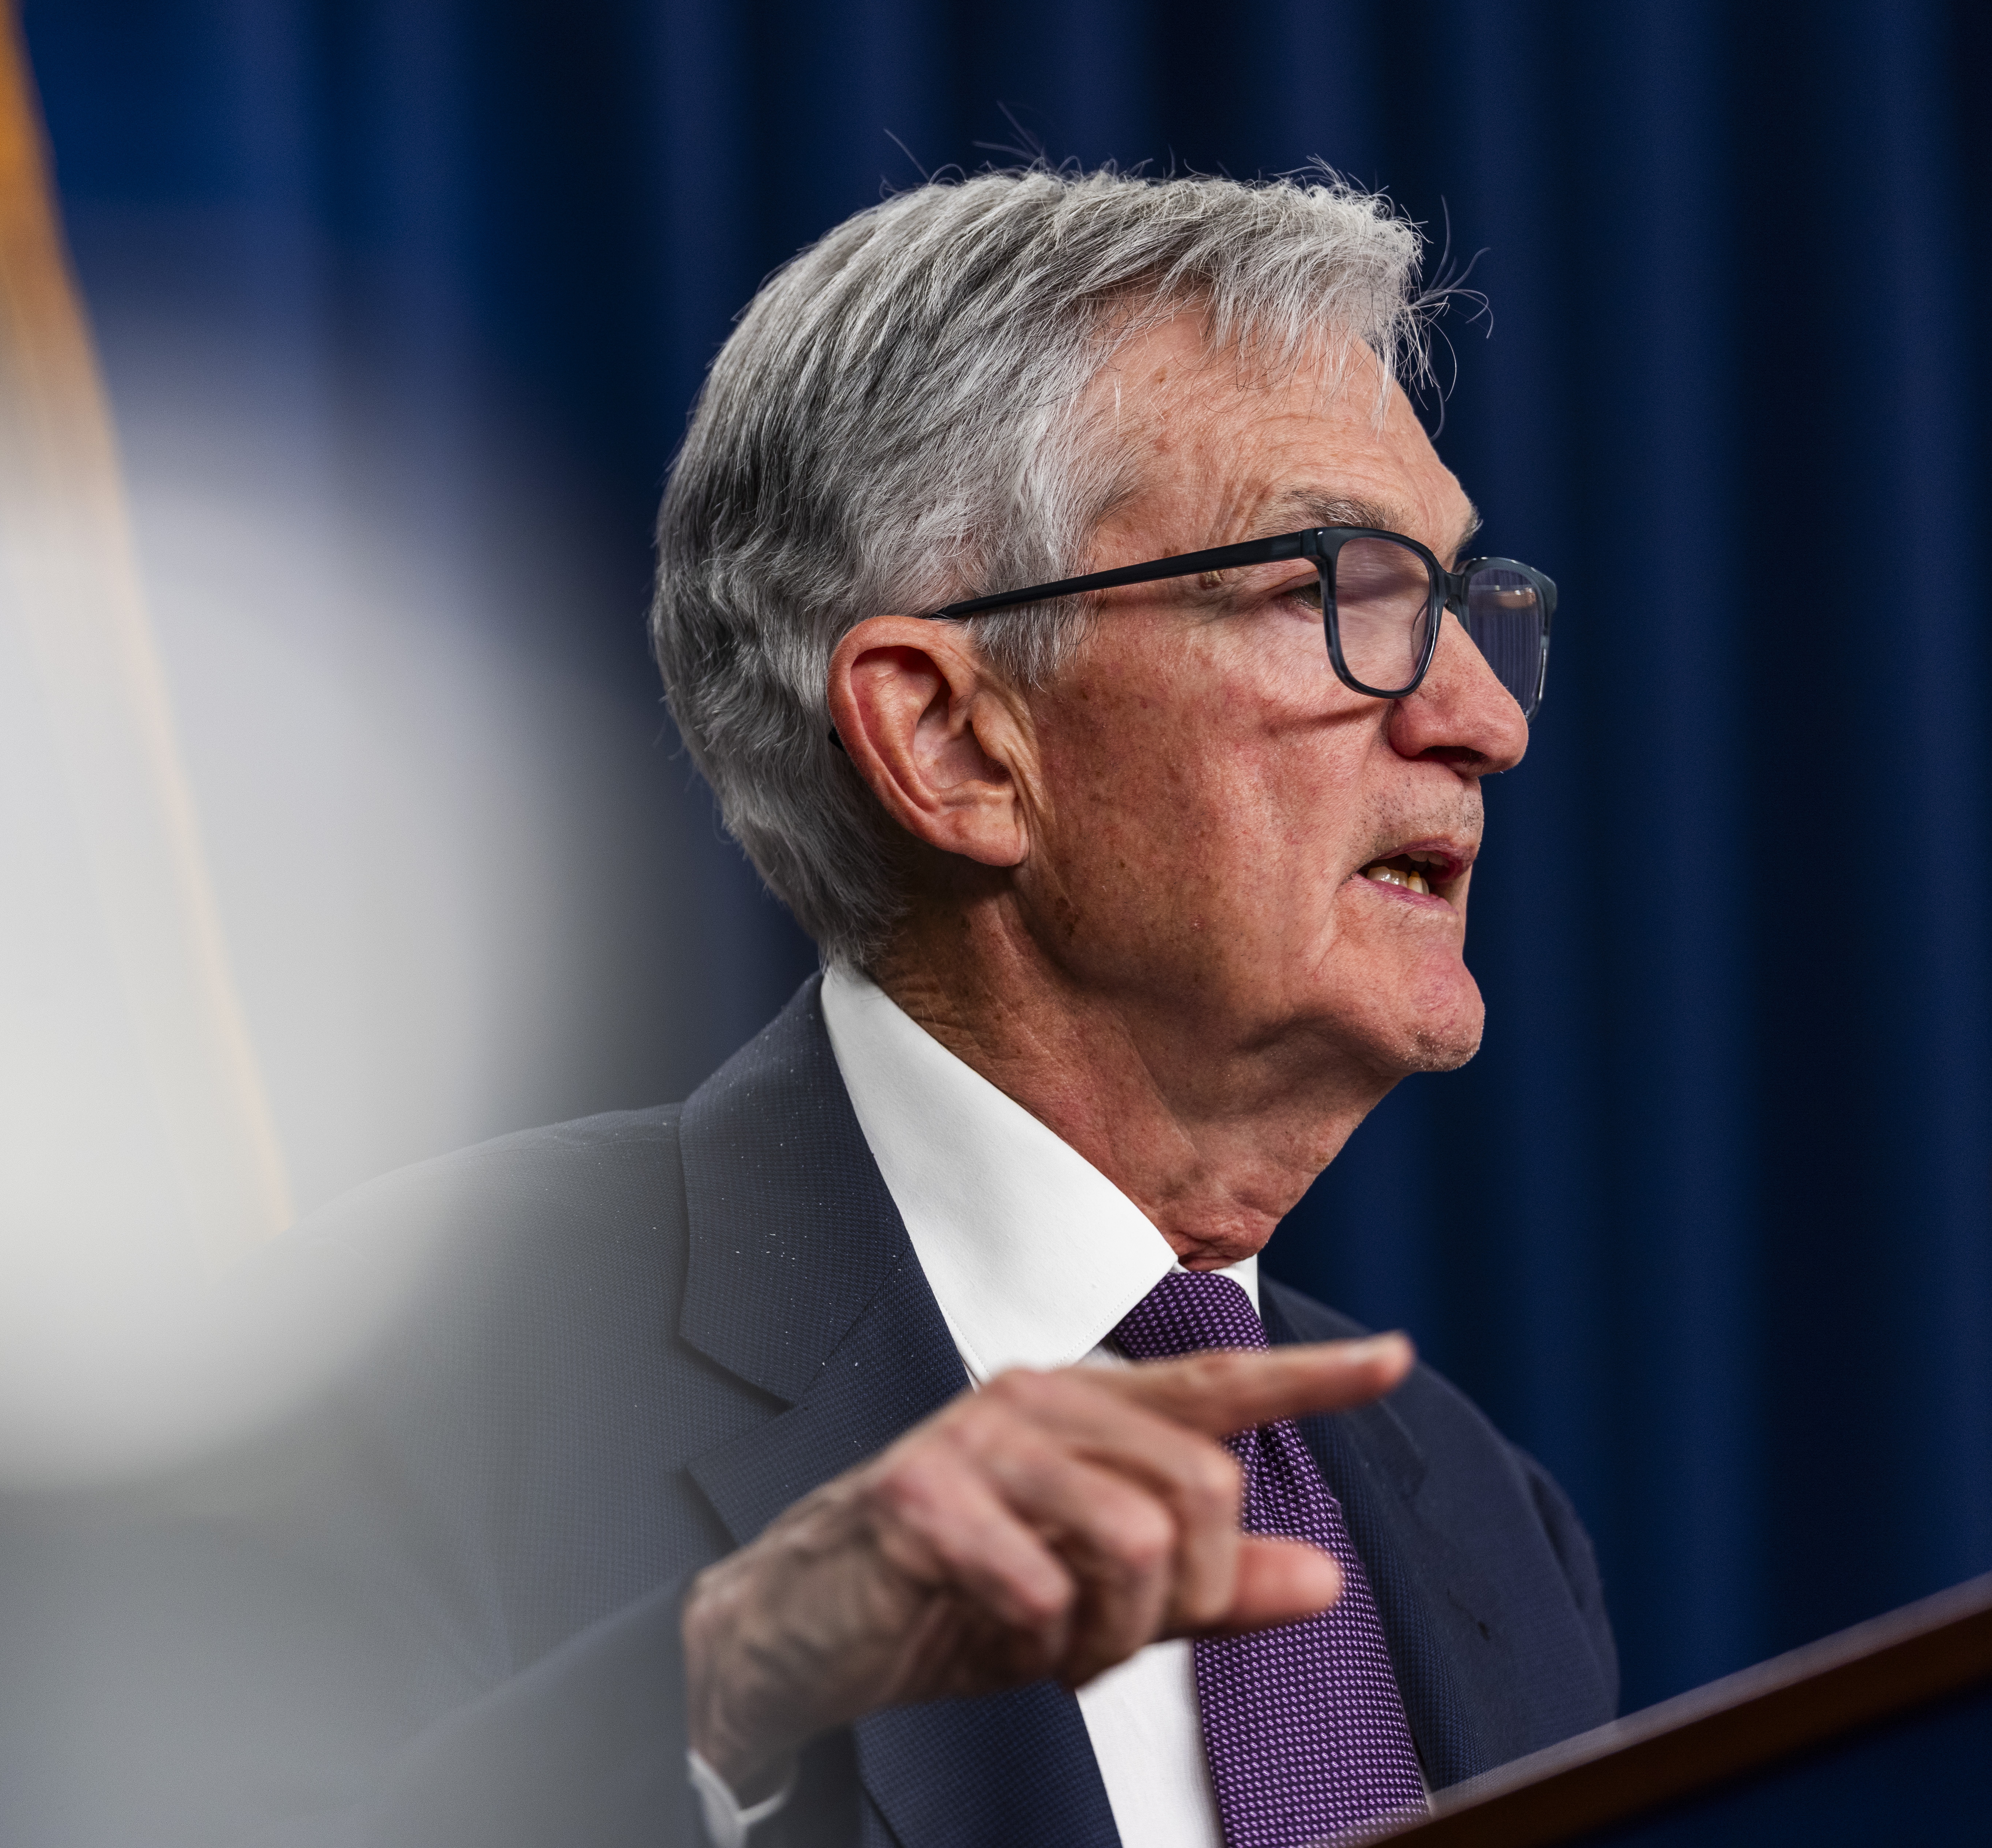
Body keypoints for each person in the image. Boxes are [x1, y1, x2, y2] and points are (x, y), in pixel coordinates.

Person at [208, 167, 1615, 1848]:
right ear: (951, 742)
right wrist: (730, 1685)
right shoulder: (389, 1390)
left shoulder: (1482, 1517)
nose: (1478, 717)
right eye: (1344, 590)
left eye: (1463, 603)